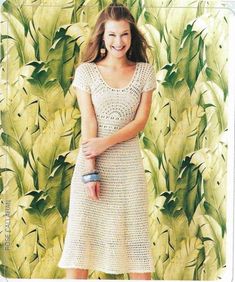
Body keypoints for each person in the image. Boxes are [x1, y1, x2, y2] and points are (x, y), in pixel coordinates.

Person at [58, 2, 157, 280]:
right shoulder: (86, 72)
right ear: (102, 36)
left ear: (132, 36)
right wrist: (90, 171)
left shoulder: (144, 72)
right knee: (81, 241)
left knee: (136, 242)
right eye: (112, 35)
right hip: (92, 163)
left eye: (124, 34)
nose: (118, 41)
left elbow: (139, 123)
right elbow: (88, 122)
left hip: (127, 170)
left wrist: (106, 142)